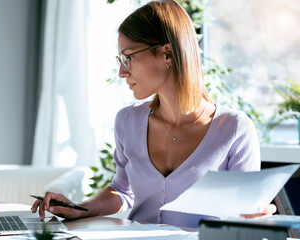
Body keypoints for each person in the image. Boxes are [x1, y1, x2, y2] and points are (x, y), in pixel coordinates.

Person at [32, 0, 276, 228]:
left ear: (167, 54)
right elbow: (122, 190)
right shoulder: (127, 121)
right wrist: (78, 208)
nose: (121, 72)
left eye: (128, 57)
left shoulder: (234, 130)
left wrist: (254, 216)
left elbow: (243, 215)